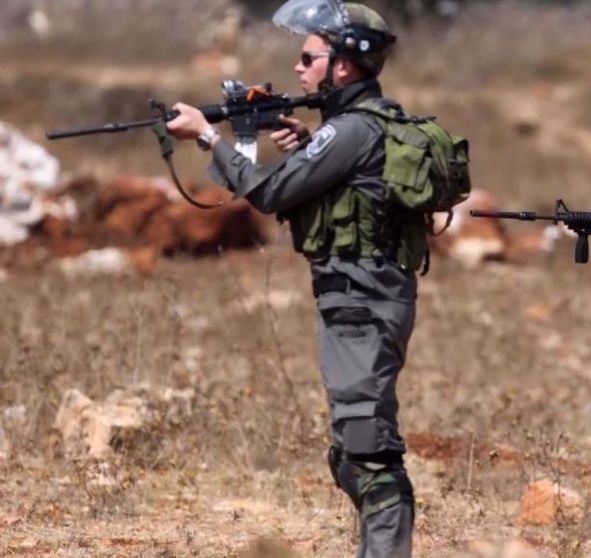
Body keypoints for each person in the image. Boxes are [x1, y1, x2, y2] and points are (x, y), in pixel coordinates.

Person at [166, 1, 425, 556]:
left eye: (309, 57)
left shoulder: (353, 128)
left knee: (370, 457)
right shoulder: (349, 128)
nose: (298, 67)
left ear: (344, 67)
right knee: (348, 452)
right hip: (355, 299)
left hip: (363, 303)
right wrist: (310, 147)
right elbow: (353, 189)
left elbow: (269, 193)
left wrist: (208, 139)